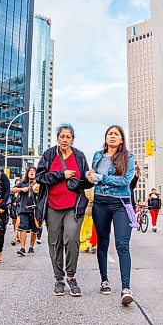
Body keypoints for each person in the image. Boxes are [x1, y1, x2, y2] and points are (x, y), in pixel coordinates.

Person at [35, 124, 93, 297]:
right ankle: (59, 279)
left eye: (68, 137)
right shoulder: (49, 155)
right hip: (52, 206)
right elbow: (40, 177)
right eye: (62, 137)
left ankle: (72, 276)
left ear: (72, 139)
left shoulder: (80, 156)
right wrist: (61, 174)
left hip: (73, 207)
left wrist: (90, 179)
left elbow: (84, 182)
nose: (65, 140)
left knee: (72, 238)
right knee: (55, 243)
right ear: (57, 138)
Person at [88, 125, 136, 306]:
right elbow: (92, 176)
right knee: (102, 243)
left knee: (122, 244)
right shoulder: (98, 155)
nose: (113, 136)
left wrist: (101, 178)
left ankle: (126, 288)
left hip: (121, 203)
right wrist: (90, 175)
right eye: (110, 134)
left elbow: (125, 180)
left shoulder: (128, 157)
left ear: (121, 139)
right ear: (106, 138)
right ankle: (104, 280)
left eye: (116, 134)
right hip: (100, 202)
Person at [12, 167, 39, 256]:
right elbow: (13, 190)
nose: (32, 172)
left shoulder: (39, 183)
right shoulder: (23, 183)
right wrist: (22, 189)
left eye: (34, 171)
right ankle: (22, 248)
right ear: (27, 173)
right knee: (23, 228)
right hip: (24, 209)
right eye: (30, 171)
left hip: (35, 210)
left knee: (34, 230)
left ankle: (31, 247)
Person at [9, 178, 21, 246]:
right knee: (14, 224)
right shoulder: (13, 192)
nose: (18, 184)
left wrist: (17, 203)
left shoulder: (22, 192)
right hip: (13, 210)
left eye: (19, 183)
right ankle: (18, 237)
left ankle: (14, 239)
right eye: (17, 183)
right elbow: (10, 200)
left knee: (17, 225)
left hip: (19, 209)